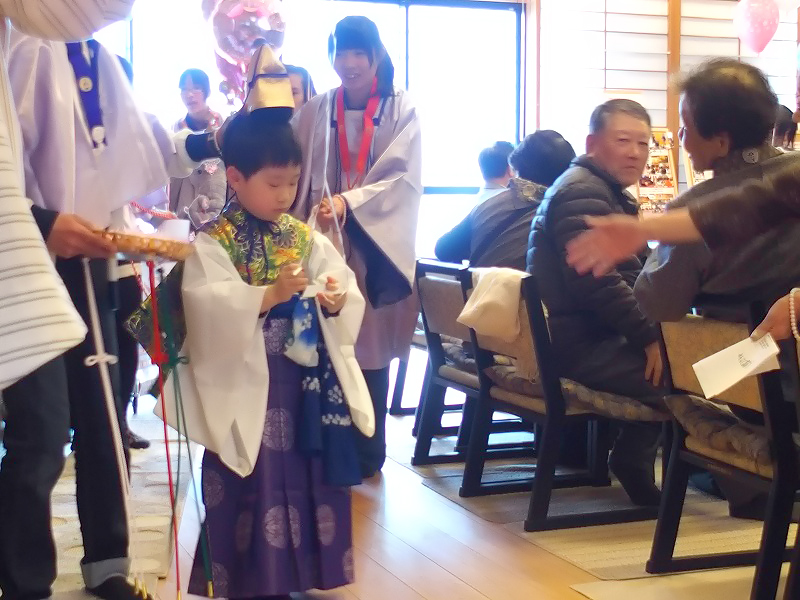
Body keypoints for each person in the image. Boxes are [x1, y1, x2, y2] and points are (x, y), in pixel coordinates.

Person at [127, 47, 373, 599]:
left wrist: (335, 297)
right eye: (274, 184)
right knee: (252, 473)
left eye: (293, 183)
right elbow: (207, 304)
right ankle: (251, 577)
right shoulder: (215, 239)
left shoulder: (301, 234)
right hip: (246, 377)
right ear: (235, 178)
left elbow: (340, 283)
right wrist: (265, 295)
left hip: (303, 378)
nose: (286, 196)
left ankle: (305, 573)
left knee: (307, 469)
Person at [5, 29, 196, 599]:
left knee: (104, 416)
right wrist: (42, 222)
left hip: (91, 259)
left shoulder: (97, 55)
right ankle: (24, 582)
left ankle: (109, 562)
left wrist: (215, 139)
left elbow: (138, 149)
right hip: (21, 258)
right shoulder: (21, 42)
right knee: (40, 430)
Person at [633, 59, 800, 519]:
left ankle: (744, 488)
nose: (681, 138)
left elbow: (657, 301)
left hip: (744, 388)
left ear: (721, 141)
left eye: (686, 128)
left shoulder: (694, 211)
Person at [293, 16, 422, 478]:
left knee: (368, 345)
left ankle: (368, 451)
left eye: (357, 53)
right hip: (321, 239)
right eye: (340, 52)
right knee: (317, 342)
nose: (348, 63)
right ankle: (322, 446)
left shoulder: (400, 108)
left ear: (376, 56)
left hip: (372, 244)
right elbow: (292, 163)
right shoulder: (318, 108)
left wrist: (350, 202)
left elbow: (403, 178)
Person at [527, 99, 664, 507]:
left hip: (584, 335)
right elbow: (598, 283)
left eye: (643, 143)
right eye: (623, 141)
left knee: (688, 367)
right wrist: (650, 337)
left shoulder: (597, 189)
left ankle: (640, 459)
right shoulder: (583, 192)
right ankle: (636, 460)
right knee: (689, 379)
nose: (635, 153)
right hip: (580, 342)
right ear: (592, 144)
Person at [435, 130, 575, 270]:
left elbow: (443, 250)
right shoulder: (563, 213)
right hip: (529, 285)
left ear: (516, 169)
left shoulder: (487, 205)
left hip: (482, 284)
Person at [171, 68, 226, 227]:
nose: (189, 95)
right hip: (185, 195)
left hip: (215, 193)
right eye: (184, 89)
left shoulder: (221, 123)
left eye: (196, 88)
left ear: (207, 91)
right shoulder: (177, 127)